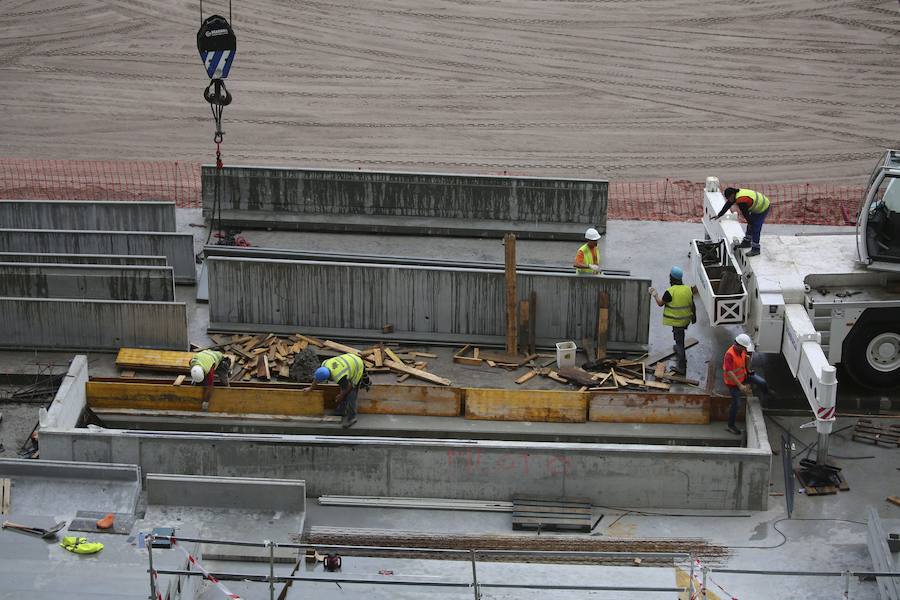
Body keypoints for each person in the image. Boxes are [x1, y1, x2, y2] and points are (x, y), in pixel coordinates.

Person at [649, 266, 695, 375]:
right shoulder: (688, 289)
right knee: (680, 338)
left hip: (677, 321)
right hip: (685, 320)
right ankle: (681, 353)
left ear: (672, 278)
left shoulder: (670, 292)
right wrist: (693, 318)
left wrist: (655, 294)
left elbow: (660, 303)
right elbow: (692, 304)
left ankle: (682, 367)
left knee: (679, 342)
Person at [304, 352, 370, 428]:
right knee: (343, 390)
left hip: (357, 365)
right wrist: (310, 388)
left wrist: (340, 396)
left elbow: (349, 387)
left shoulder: (338, 375)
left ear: (329, 377)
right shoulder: (324, 364)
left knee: (351, 394)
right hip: (349, 360)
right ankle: (341, 411)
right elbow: (318, 378)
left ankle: (352, 417)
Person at [722, 333, 769, 435]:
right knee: (737, 403)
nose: (745, 349)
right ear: (738, 345)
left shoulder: (741, 351)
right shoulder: (729, 355)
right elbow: (729, 372)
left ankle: (767, 397)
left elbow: (744, 361)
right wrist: (740, 386)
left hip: (744, 376)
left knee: (762, 382)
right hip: (733, 383)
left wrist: (748, 368)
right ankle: (731, 425)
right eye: (744, 347)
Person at [711, 187, 771, 256]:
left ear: (732, 195)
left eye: (729, 198)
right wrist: (719, 215)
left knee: (755, 227)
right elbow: (728, 204)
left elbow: (746, 214)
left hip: (763, 207)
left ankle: (756, 249)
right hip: (757, 205)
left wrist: (750, 223)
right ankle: (747, 242)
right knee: (750, 224)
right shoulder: (736, 195)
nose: (729, 200)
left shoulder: (741, 201)